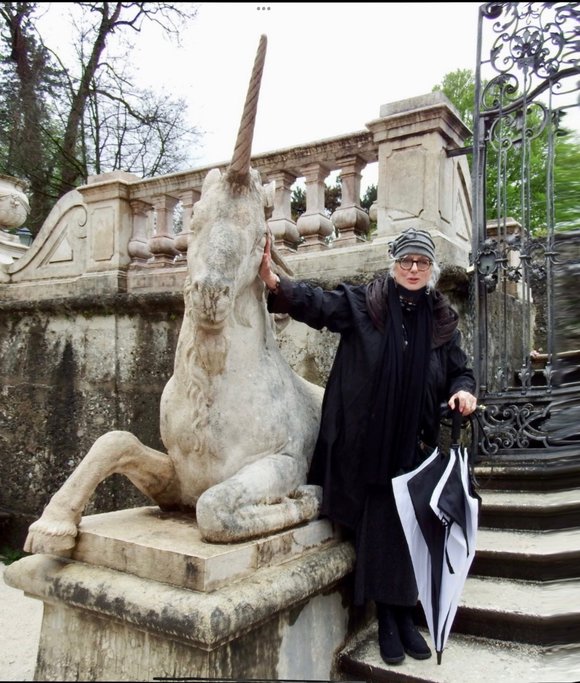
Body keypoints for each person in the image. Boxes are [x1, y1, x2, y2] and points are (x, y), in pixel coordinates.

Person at [259, 226, 478, 666]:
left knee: (411, 531)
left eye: (421, 262)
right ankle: (389, 621)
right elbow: (319, 305)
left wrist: (464, 390)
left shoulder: (442, 320)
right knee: (382, 528)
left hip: (415, 448)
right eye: (405, 261)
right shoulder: (366, 303)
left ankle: (400, 617)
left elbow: (459, 370)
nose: (413, 269)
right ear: (393, 264)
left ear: (431, 269)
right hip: (367, 445)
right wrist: (275, 284)